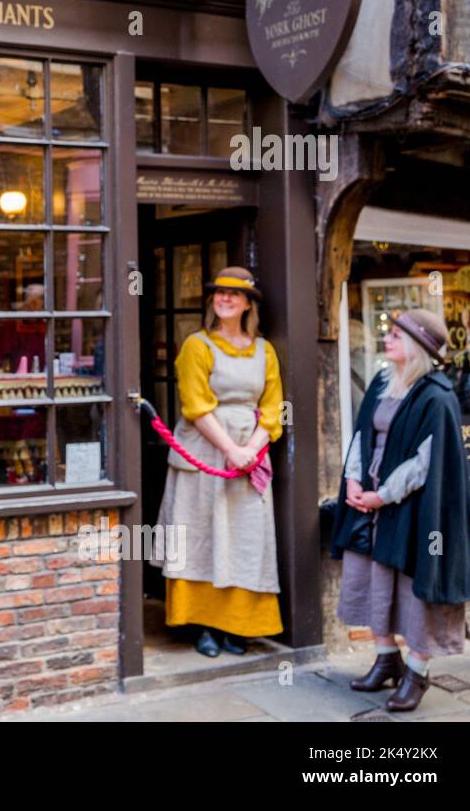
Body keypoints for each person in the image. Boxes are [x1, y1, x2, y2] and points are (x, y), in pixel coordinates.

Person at [331, 309, 470, 711]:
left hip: (417, 510)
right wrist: (352, 479)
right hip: (368, 502)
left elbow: (425, 462)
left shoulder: (437, 396)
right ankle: (386, 659)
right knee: (371, 580)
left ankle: (417, 671)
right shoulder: (383, 383)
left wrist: (382, 495)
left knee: (416, 591)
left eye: (397, 335)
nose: (388, 338)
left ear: (417, 346)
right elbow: (362, 433)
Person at [151, 266, 285, 657]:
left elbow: (274, 406)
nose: (225, 299)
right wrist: (231, 449)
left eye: (234, 294)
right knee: (204, 536)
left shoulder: (265, 350)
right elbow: (196, 405)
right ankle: (203, 625)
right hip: (205, 451)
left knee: (245, 538)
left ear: (247, 304)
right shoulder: (197, 345)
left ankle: (239, 625)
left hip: (250, 453)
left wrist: (254, 448)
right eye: (219, 293)